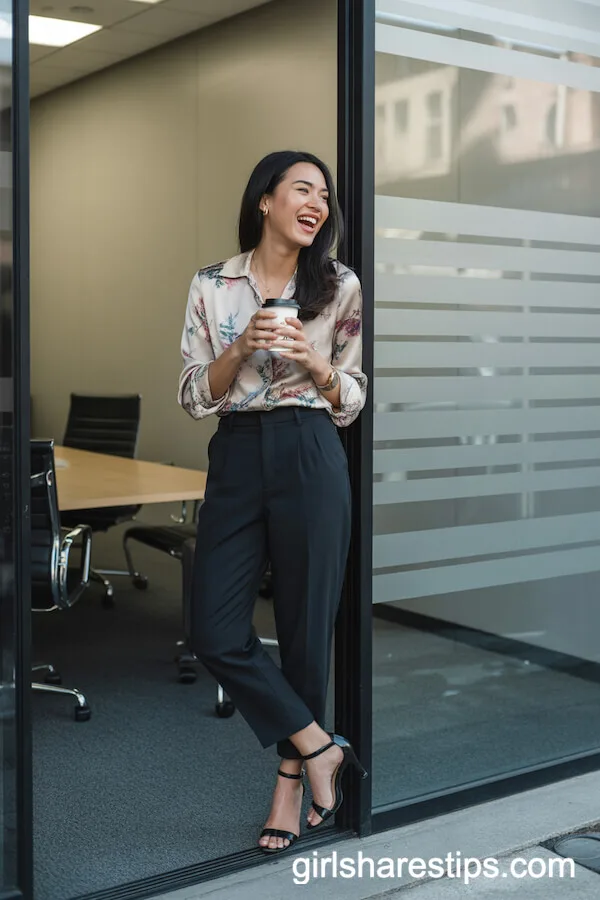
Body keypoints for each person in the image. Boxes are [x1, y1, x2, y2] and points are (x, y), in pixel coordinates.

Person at [177, 150, 368, 854]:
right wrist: (242, 345)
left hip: (312, 448)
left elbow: (352, 398)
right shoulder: (213, 285)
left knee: (305, 624)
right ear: (266, 199)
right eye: (301, 189)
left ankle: (290, 782)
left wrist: (315, 362)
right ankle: (322, 747)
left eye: (324, 194)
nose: (316, 202)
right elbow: (196, 394)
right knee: (215, 628)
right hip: (236, 450)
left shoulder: (339, 285)